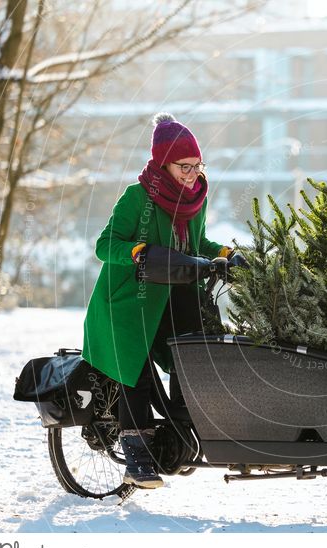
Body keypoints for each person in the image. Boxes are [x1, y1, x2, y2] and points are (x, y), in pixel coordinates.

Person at [82, 112, 233, 489]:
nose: (193, 174)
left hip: (173, 298)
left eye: (198, 166)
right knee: (136, 374)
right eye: (185, 166)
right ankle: (137, 458)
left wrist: (227, 253)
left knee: (193, 355)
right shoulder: (138, 197)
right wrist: (137, 251)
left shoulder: (195, 198)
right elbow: (105, 245)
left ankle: (182, 432)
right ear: (163, 163)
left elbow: (197, 246)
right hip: (129, 303)